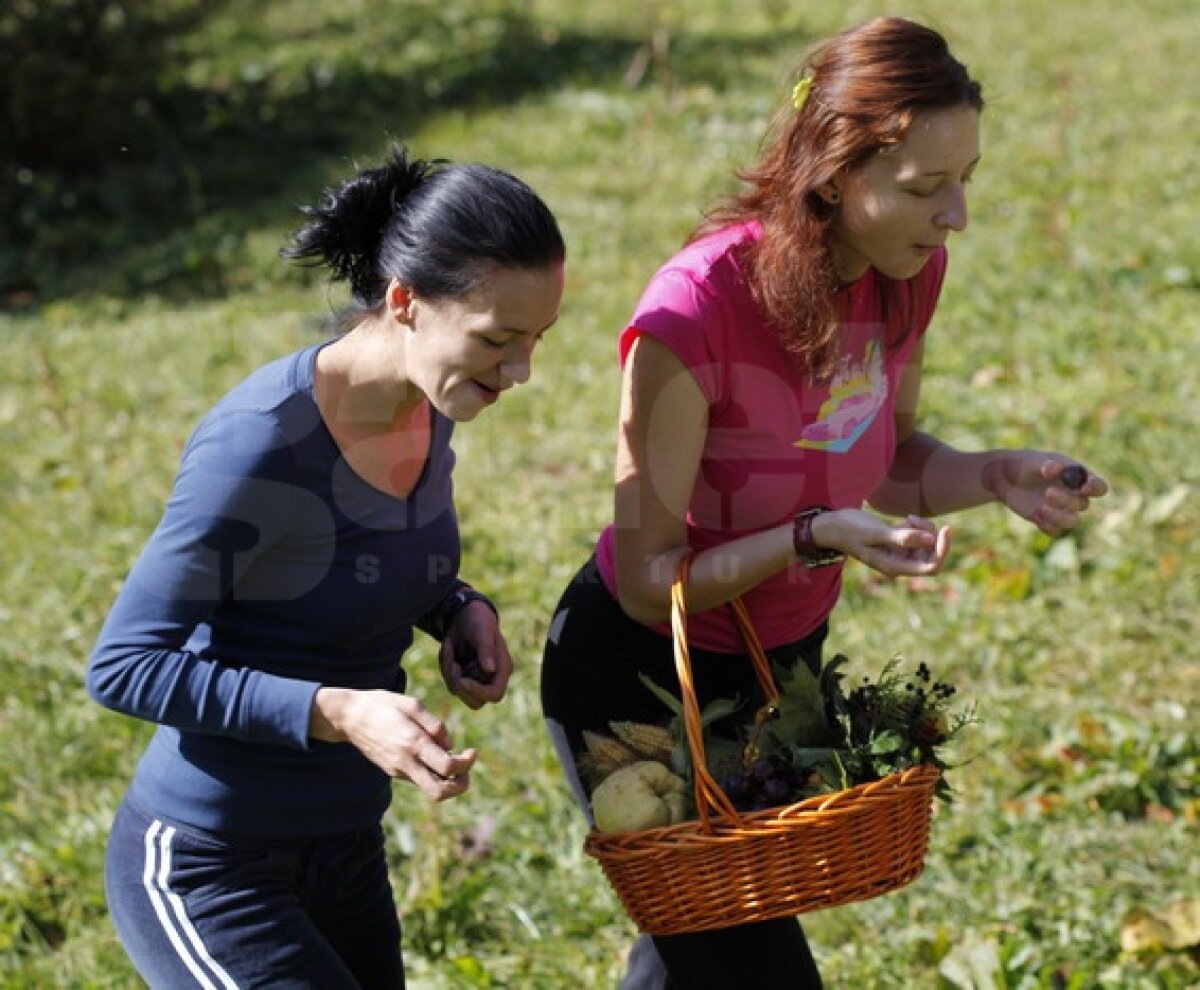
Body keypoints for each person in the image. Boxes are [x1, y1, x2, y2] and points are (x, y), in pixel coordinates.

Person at [540, 16, 1107, 990]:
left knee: (700, 941)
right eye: (927, 188)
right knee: (741, 957)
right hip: (643, 679)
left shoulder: (904, 275)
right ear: (835, 176)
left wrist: (993, 473)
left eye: (967, 177)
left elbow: (881, 463)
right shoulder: (694, 313)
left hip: (779, 666)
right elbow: (647, 584)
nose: (957, 215)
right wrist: (806, 538)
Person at [87, 147, 565, 988]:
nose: (521, 371)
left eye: (535, 340)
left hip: (344, 848)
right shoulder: (261, 445)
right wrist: (336, 713)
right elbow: (124, 666)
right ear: (405, 301)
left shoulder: (431, 406)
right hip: (209, 865)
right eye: (498, 339)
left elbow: (348, 563)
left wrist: (456, 608)